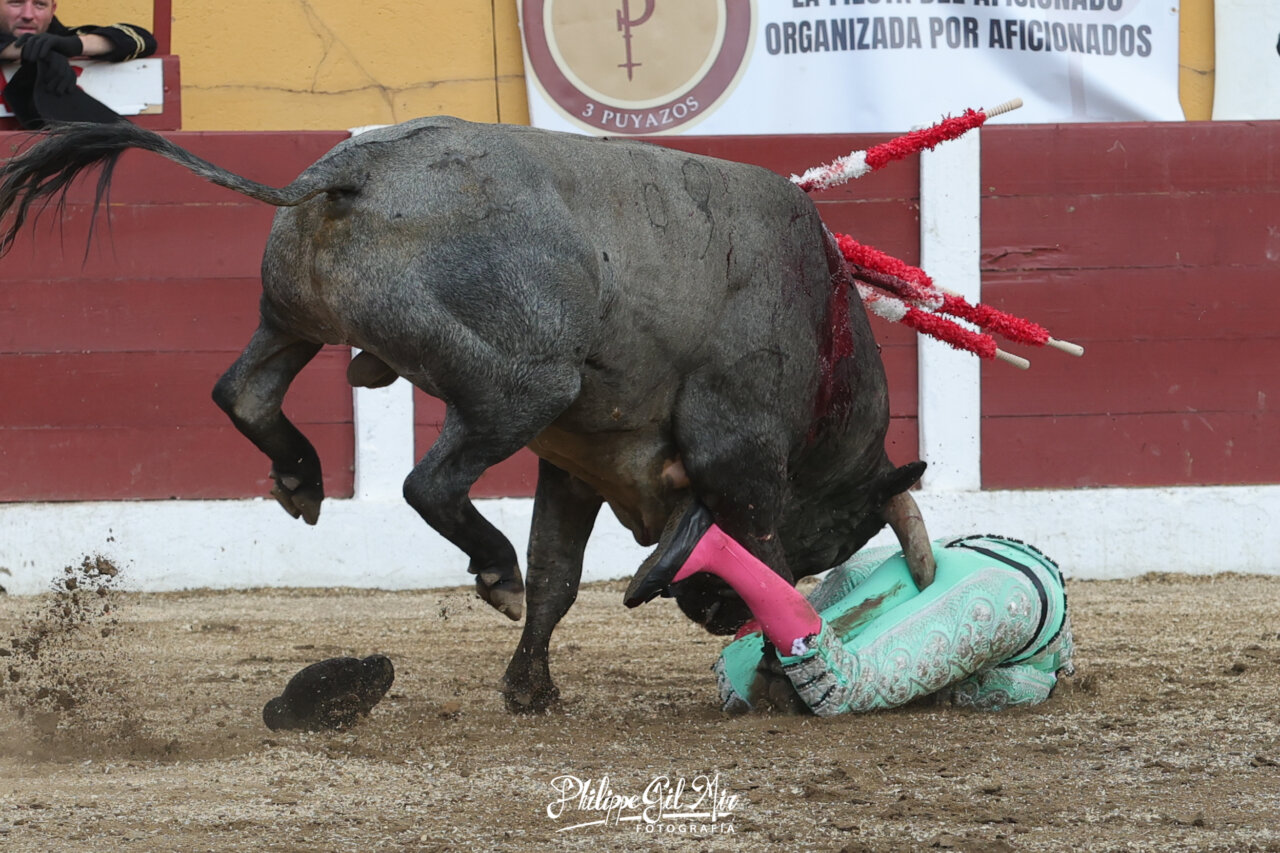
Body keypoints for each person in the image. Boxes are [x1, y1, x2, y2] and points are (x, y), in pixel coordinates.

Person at [634, 511, 1073, 715]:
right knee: (836, 689)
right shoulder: (1038, 678)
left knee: (744, 687)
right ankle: (717, 550)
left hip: (949, 551)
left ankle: (721, 554)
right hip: (1007, 596)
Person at [0, 0, 156, 128]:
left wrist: (77, 45)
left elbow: (143, 40)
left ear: (52, 10)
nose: (28, 14)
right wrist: (22, 50)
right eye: (16, 2)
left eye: (40, 4)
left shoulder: (63, 37)